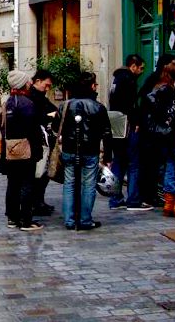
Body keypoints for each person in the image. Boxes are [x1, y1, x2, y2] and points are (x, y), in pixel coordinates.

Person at [58, 71, 112, 231]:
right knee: (88, 185)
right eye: (95, 84)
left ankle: (69, 220)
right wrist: (108, 155)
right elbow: (107, 133)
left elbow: (56, 128)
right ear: (90, 86)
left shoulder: (65, 105)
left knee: (69, 183)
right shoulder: (98, 107)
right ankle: (85, 219)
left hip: (69, 149)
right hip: (90, 150)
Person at [0, 70, 44, 231]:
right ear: (22, 83)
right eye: (27, 81)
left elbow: (2, 127)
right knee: (26, 184)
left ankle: (12, 218)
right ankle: (26, 220)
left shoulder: (8, 102)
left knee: (13, 184)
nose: (30, 83)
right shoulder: (27, 103)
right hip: (25, 150)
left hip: (10, 150)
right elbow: (33, 129)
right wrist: (38, 150)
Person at [107, 54, 152, 210]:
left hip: (116, 123)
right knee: (133, 163)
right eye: (140, 68)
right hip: (127, 124)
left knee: (118, 162)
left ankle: (115, 198)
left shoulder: (115, 78)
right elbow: (130, 104)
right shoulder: (129, 79)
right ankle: (133, 200)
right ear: (133, 65)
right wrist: (137, 122)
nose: (141, 71)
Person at [146, 62, 175, 218]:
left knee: (171, 166)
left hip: (168, 135)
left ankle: (168, 204)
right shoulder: (169, 90)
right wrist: (173, 127)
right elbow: (174, 113)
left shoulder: (163, 88)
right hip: (174, 134)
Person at [138, 53, 175, 207]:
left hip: (154, 129)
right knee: (151, 164)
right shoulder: (157, 81)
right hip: (153, 130)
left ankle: (153, 194)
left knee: (156, 164)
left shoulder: (161, 80)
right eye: (172, 63)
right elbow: (146, 100)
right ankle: (149, 195)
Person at [28, 69, 57, 216]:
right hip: (38, 141)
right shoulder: (32, 96)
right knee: (38, 173)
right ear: (37, 81)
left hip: (45, 139)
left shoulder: (41, 96)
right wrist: (49, 116)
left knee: (44, 173)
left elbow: (52, 109)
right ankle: (35, 203)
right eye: (46, 85)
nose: (47, 88)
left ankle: (39, 201)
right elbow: (39, 116)